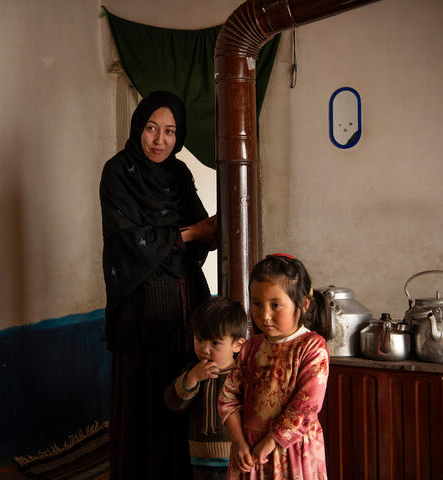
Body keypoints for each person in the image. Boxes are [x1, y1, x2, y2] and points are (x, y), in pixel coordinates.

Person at [100, 90, 217, 480]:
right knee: (145, 401)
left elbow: (203, 231)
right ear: (139, 127)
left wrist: (203, 231)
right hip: (141, 312)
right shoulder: (118, 173)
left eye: (169, 131)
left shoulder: (180, 174)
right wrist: (187, 234)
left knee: (182, 392)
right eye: (152, 128)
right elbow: (127, 244)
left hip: (184, 306)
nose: (159, 140)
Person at [218, 254, 331, 479]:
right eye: (257, 304)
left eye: (275, 305)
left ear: (304, 304)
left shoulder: (312, 348)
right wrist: (239, 442)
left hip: (291, 451)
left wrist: (269, 444)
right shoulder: (251, 347)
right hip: (249, 452)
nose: (264, 315)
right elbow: (228, 397)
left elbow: (305, 407)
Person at [164, 296, 247, 480]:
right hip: (199, 458)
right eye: (199, 339)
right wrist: (192, 378)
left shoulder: (242, 374)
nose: (205, 349)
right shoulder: (192, 370)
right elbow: (173, 403)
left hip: (234, 457)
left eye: (215, 343)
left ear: (237, 345)